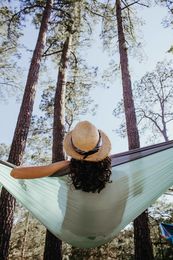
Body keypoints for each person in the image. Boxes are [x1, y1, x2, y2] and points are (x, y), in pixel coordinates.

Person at [11, 121, 112, 193]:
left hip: (71, 222)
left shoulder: (67, 168)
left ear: (74, 149)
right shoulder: (116, 168)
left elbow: (15, 173)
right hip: (109, 222)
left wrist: (64, 164)